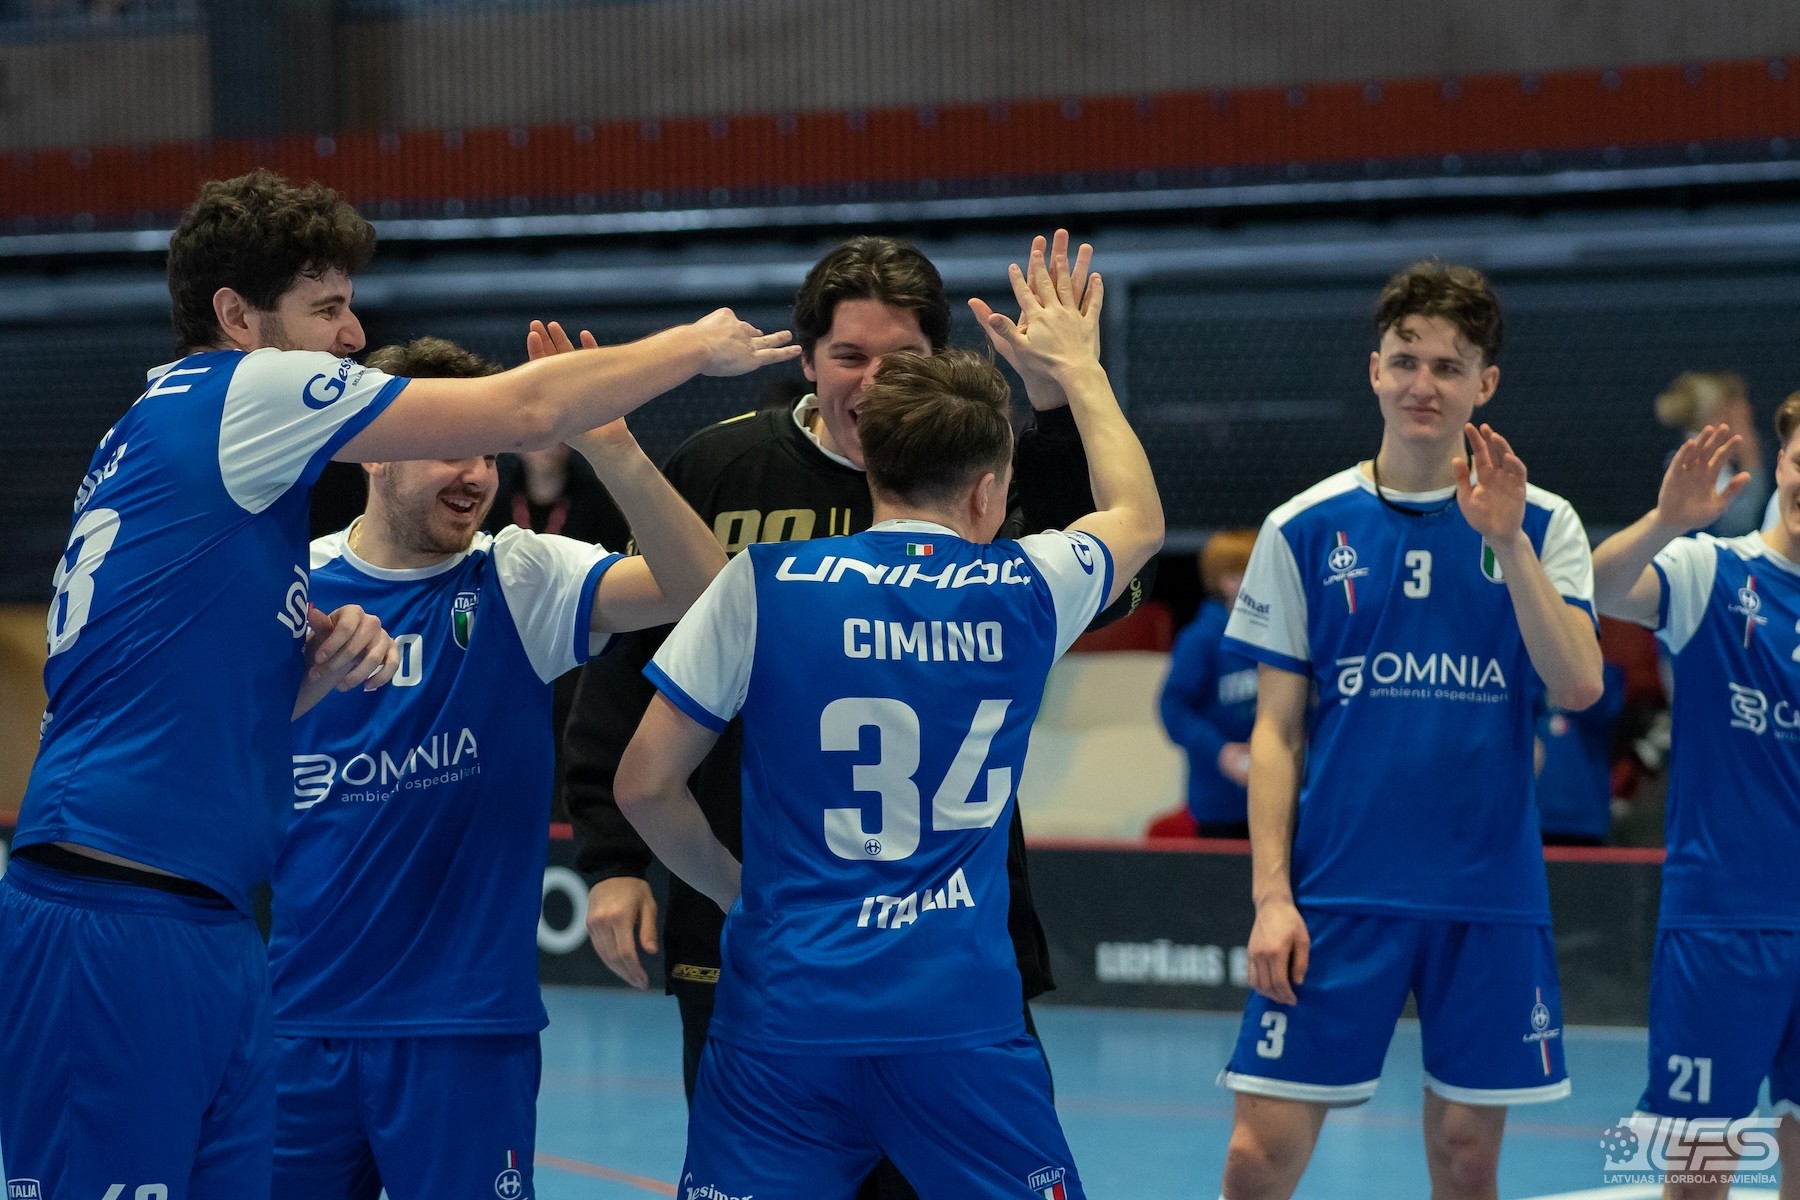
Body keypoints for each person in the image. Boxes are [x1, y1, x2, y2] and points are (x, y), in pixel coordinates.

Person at [0, 169, 796, 1197]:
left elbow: (163, 689)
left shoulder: (187, 468)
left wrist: (301, 681)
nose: (350, 333)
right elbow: (530, 403)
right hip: (129, 904)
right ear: (237, 318)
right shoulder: (239, 394)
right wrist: (697, 345)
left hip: (212, 919)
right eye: (326, 307)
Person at [560, 231, 1151, 1198]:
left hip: (788, 987)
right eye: (849, 354)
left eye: (897, 361)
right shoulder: (1023, 584)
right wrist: (1079, 373)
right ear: (991, 491)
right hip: (951, 998)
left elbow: (644, 781)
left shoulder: (757, 583)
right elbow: (1136, 522)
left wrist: (743, 891)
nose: (872, 380)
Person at [267, 330, 724, 1199]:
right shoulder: (291, 586)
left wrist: (613, 448)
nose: (476, 473)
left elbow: (707, 591)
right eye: (450, 446)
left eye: (486, 450)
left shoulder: (520, 575)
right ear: (374, 452)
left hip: (466, 1033)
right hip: (295, 1022)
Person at [1216, 261, 1603, 1200]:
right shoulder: (1301, 527)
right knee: (1257, 1157)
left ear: (1485, 384)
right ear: (1375, 370)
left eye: (1449, 365)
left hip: (1487, 895)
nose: (1423, 384)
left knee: (1467, 1161)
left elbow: (1580, 683)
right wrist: (1271, 897)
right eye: (1405, 360)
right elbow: (1276, 735)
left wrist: (1506, 541)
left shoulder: (1544, 523)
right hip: (1339, 892)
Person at [1590, 403, 1800, 1198]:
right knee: (1699, 1176)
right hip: (1722, 928)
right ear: (1781, 466)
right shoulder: (1712, 571)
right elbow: (1597, 586)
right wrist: (1665, 522)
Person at [1158, 529, 1260, 839]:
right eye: (1254, 572)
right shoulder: (1200, 639)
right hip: (1221, 804)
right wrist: (1221, 751)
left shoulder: (1277, 634)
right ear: (1227, 581)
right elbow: (1173, 707)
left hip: (1280, 794)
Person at [1655, 371, 1770, 538]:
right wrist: (1750, 456)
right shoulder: (1699, 461)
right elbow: (1739, 524)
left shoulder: (1694, 454)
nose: (1735, 423)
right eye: (1727, 415)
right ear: (1712, 417)